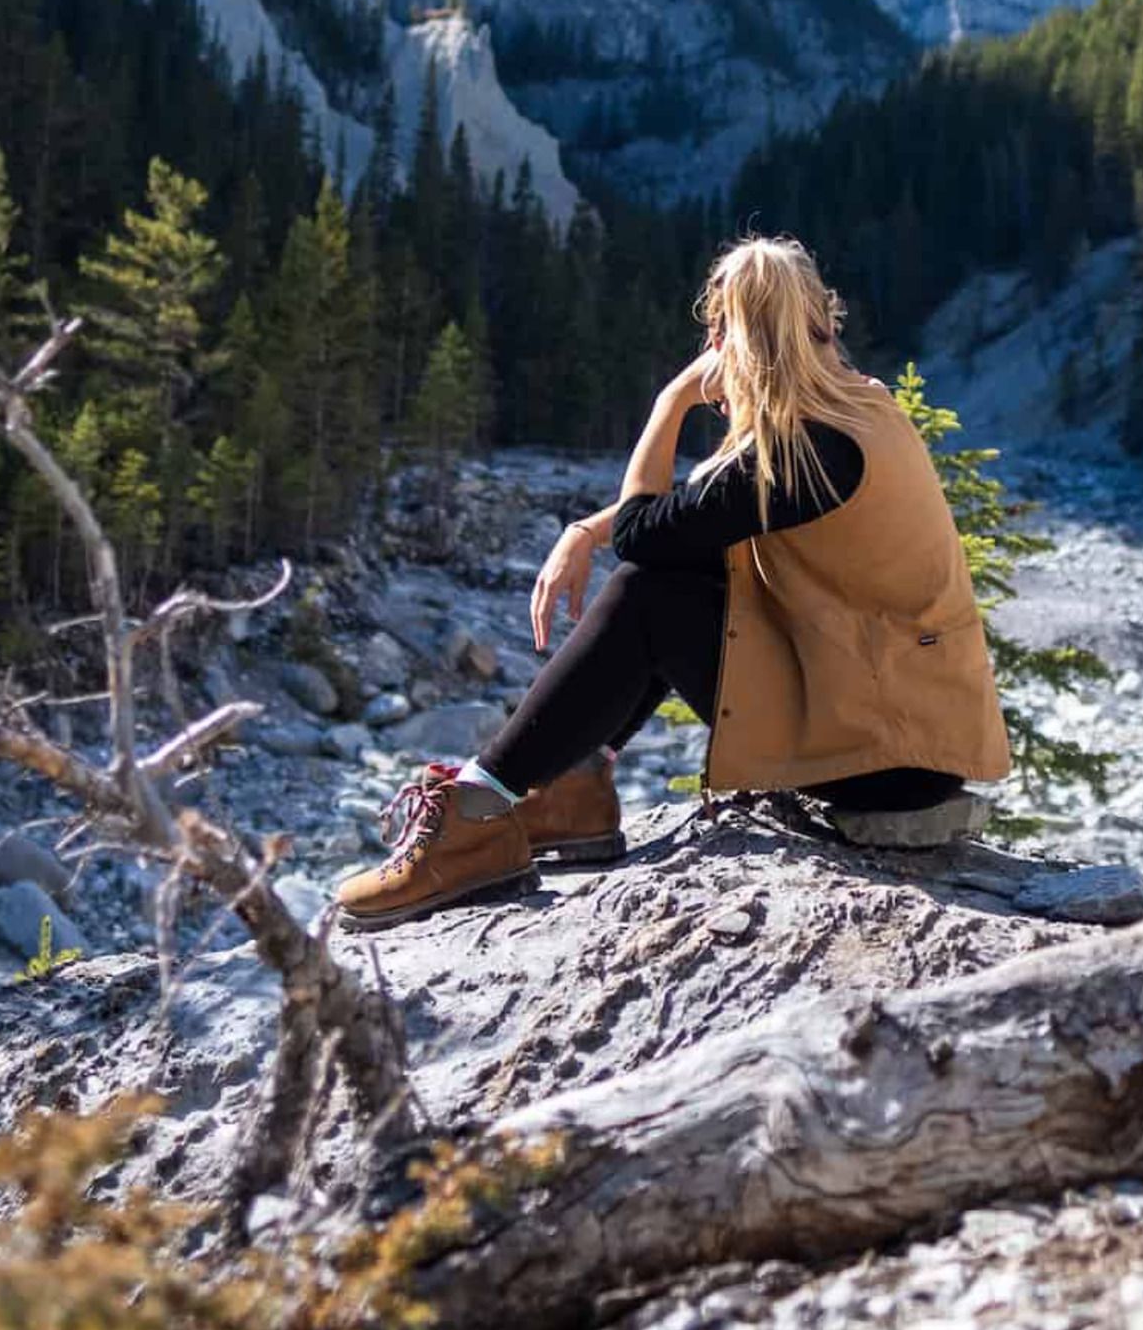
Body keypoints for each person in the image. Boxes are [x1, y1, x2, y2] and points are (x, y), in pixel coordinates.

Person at [337, 236, 1011, 926]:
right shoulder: (854, 412)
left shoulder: (814, 449)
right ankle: (574, 785)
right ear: (823, 321)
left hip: (888, 759)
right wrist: (582, 531)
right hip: (904, 733)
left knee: (647, 594)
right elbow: (698, 504)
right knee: (675, 569)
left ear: (728, 343)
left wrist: (673, 397)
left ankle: (479, 809)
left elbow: (647, 533)